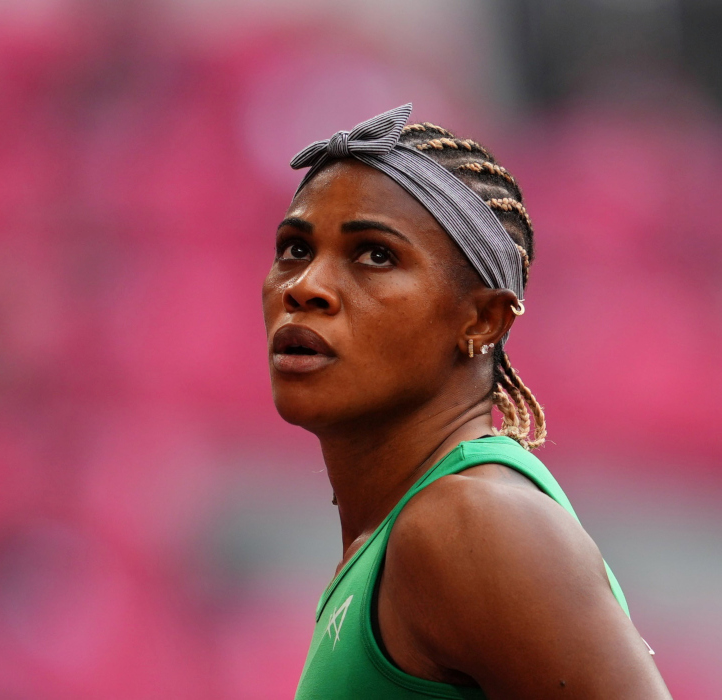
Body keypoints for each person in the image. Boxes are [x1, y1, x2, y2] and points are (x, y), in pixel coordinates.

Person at [262, 105, 671, 699]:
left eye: (376, 255)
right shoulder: (399, 536)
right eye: (295, 249)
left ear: (483, 320)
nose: (305, 287)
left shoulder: (471, 522)